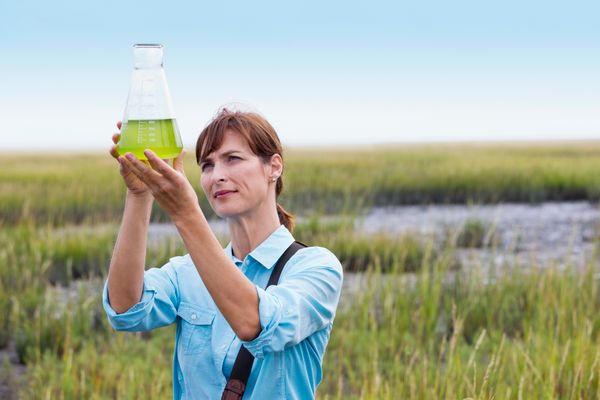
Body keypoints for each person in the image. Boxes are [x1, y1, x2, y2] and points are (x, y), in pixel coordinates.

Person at [102, 108, 344, 399]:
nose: (217, 176)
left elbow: (253, 323)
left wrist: (185, 214)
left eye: (233, 159)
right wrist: (139, 195)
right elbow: (126, 310)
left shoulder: (315, 267)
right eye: (207, 165)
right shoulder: (187, 272)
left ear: (274, 167)